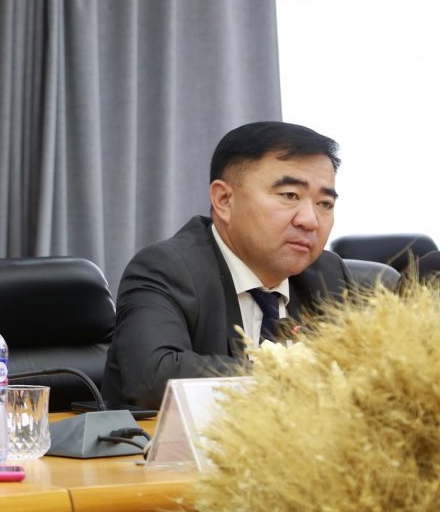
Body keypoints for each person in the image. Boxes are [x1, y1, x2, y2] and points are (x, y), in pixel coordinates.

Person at [102, 121, 352, 408]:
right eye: (289, 196)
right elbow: (154, 377)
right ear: (224, 200)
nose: (309, 220)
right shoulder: (167, 268)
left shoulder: (328, 275)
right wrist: (288, 373)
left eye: (325, 204)